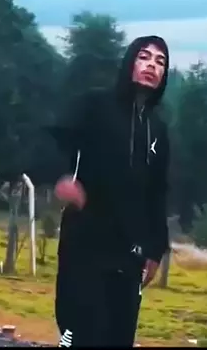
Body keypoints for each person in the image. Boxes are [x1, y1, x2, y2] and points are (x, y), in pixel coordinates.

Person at [48, 35, 171, 347]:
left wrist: (156, 249)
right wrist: (63, 177)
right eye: (144, 57)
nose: (152, 66)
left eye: (160, 62)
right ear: (130, 62)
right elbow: (55, 139)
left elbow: (157, 192)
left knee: (119, 337)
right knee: (82, 333)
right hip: (86, 244)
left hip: (129, 254)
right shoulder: (95, 104)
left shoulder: (157, 129)